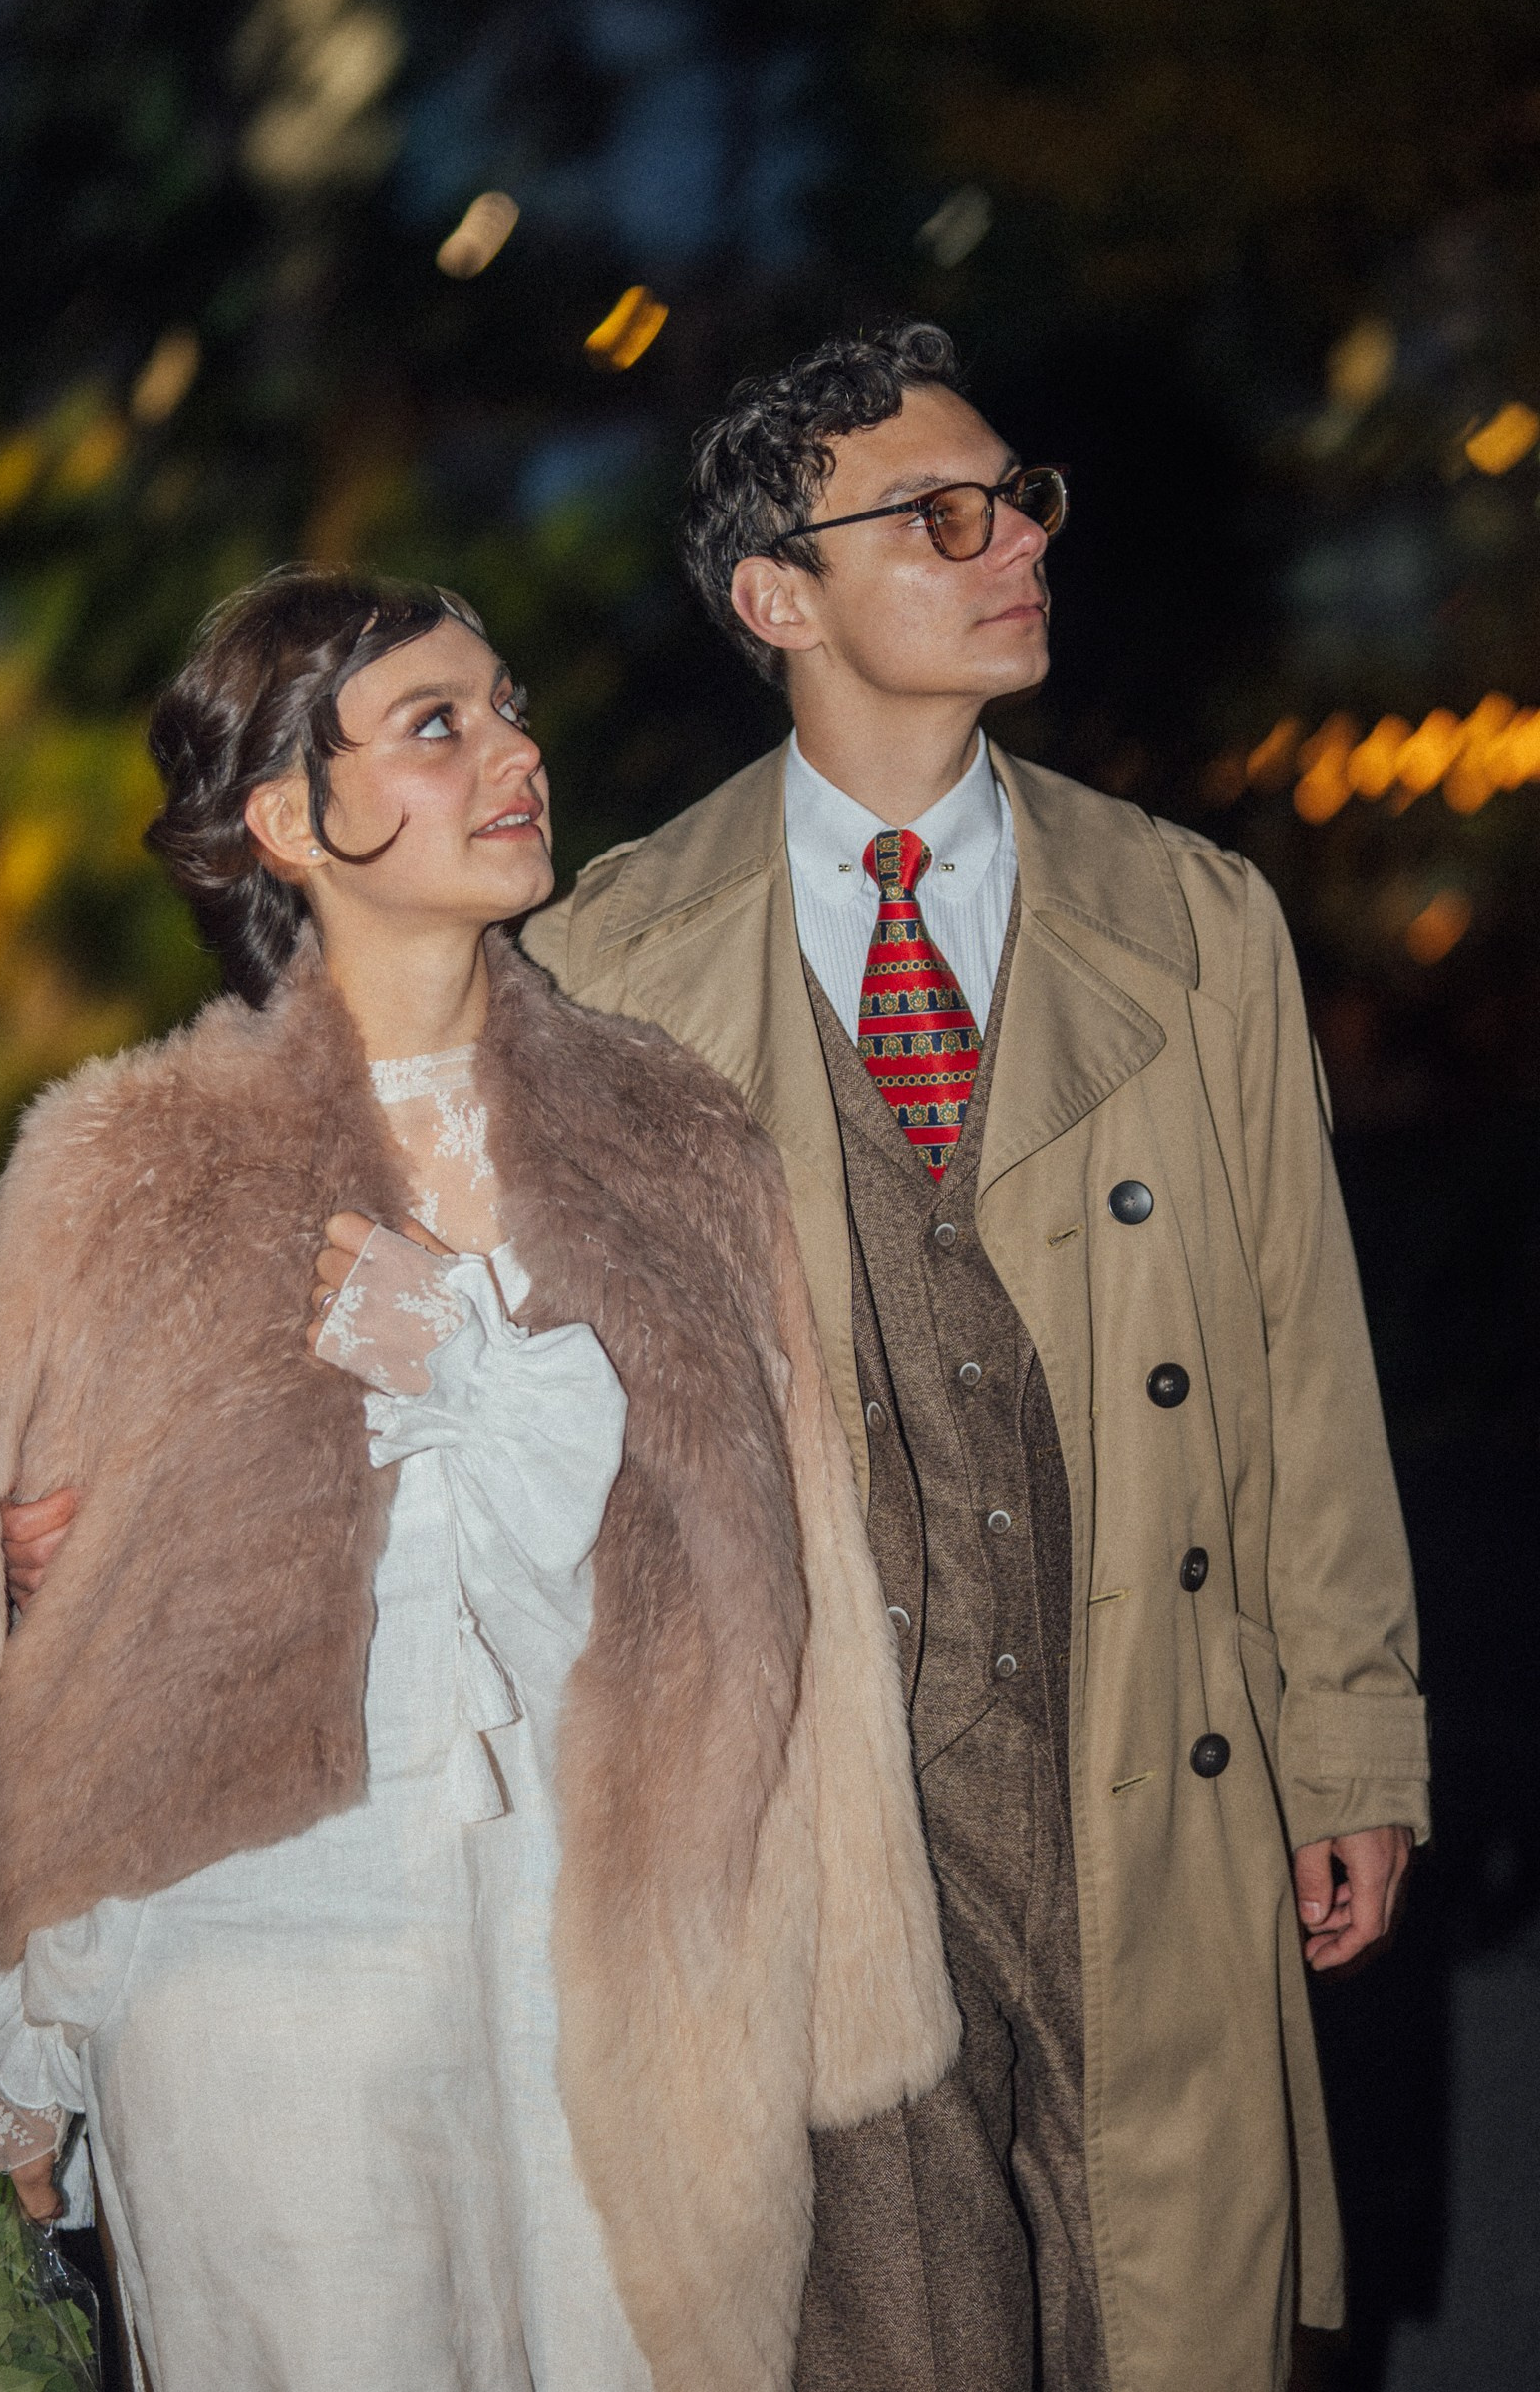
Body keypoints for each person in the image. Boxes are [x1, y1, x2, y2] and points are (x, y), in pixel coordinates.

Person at [0, 566, 957, 2392]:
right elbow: (64, 1670)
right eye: (437, 726)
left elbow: (785, 1581)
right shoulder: (124, 1165)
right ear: (287, 818)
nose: (512, 752)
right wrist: (25, 2055)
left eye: (506, 709)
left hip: (613, 1963)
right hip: (259, 1985)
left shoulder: (676, 1135)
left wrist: (469, 1362)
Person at [523, 328, 1429, 2392]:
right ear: (777, 598)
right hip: (811, 1818)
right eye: (937, 516)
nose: (1010, 539)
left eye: (1017, 497)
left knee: (1159, 2312)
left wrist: (1353, 1743)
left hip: (1140, 1762)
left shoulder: (1195, 924)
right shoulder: (603, 965)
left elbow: (1302, 1360)